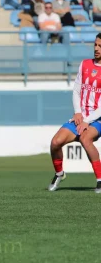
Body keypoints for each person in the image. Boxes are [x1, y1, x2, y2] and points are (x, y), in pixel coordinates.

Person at [49, 33, 101, 193]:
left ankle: (100, 180)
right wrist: (78, 113)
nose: (96, 49)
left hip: (97, 119)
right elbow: (77, 90)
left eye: (100, 46)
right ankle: (59, 174)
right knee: (55, 143)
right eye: (95, 45)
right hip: (81, 117)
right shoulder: (85, 64)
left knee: (85, 139)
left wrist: (87, 121)